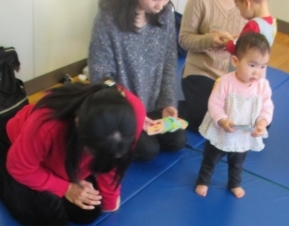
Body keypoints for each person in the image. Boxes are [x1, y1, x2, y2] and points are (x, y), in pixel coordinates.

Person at [0, 83, 146, 226]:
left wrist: (109, 201)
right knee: (48, 224)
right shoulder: (48, 120)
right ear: (79, 125)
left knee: (88, 213)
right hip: (20, 157)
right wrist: (66, 188)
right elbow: (20, 167)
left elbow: (113, 163)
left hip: (67, 163)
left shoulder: (133, 112)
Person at [88, 0, 186, 162]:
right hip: (123, 109)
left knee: (177, 141)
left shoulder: (165, 13)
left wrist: (168, 103)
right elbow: (101, 80)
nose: (161, 4)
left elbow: (169, 62)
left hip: (153, 103)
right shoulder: (106, 19)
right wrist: (134, 113)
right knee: (149, 150)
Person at [196, 32, 274, 198]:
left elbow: (267, 107)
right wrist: (223, 120)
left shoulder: (263, 86)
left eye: (263, 66)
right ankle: (203, 180)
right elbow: (214, 103)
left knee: (238, 163)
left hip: (244, 135)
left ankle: (234, 183)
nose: (257, 72)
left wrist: (262, 123)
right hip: (221, 131)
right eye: (252, 65)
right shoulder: (225, 82)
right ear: (235, 61)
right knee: (211, 159)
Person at [178, 0, 246, 131]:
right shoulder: (199, 2)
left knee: (255, 120)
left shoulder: (247, 6)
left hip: (232, 77)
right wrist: (210, 39)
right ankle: (176, 108)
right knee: (210, 121)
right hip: (202, 71)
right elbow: (184, 40)